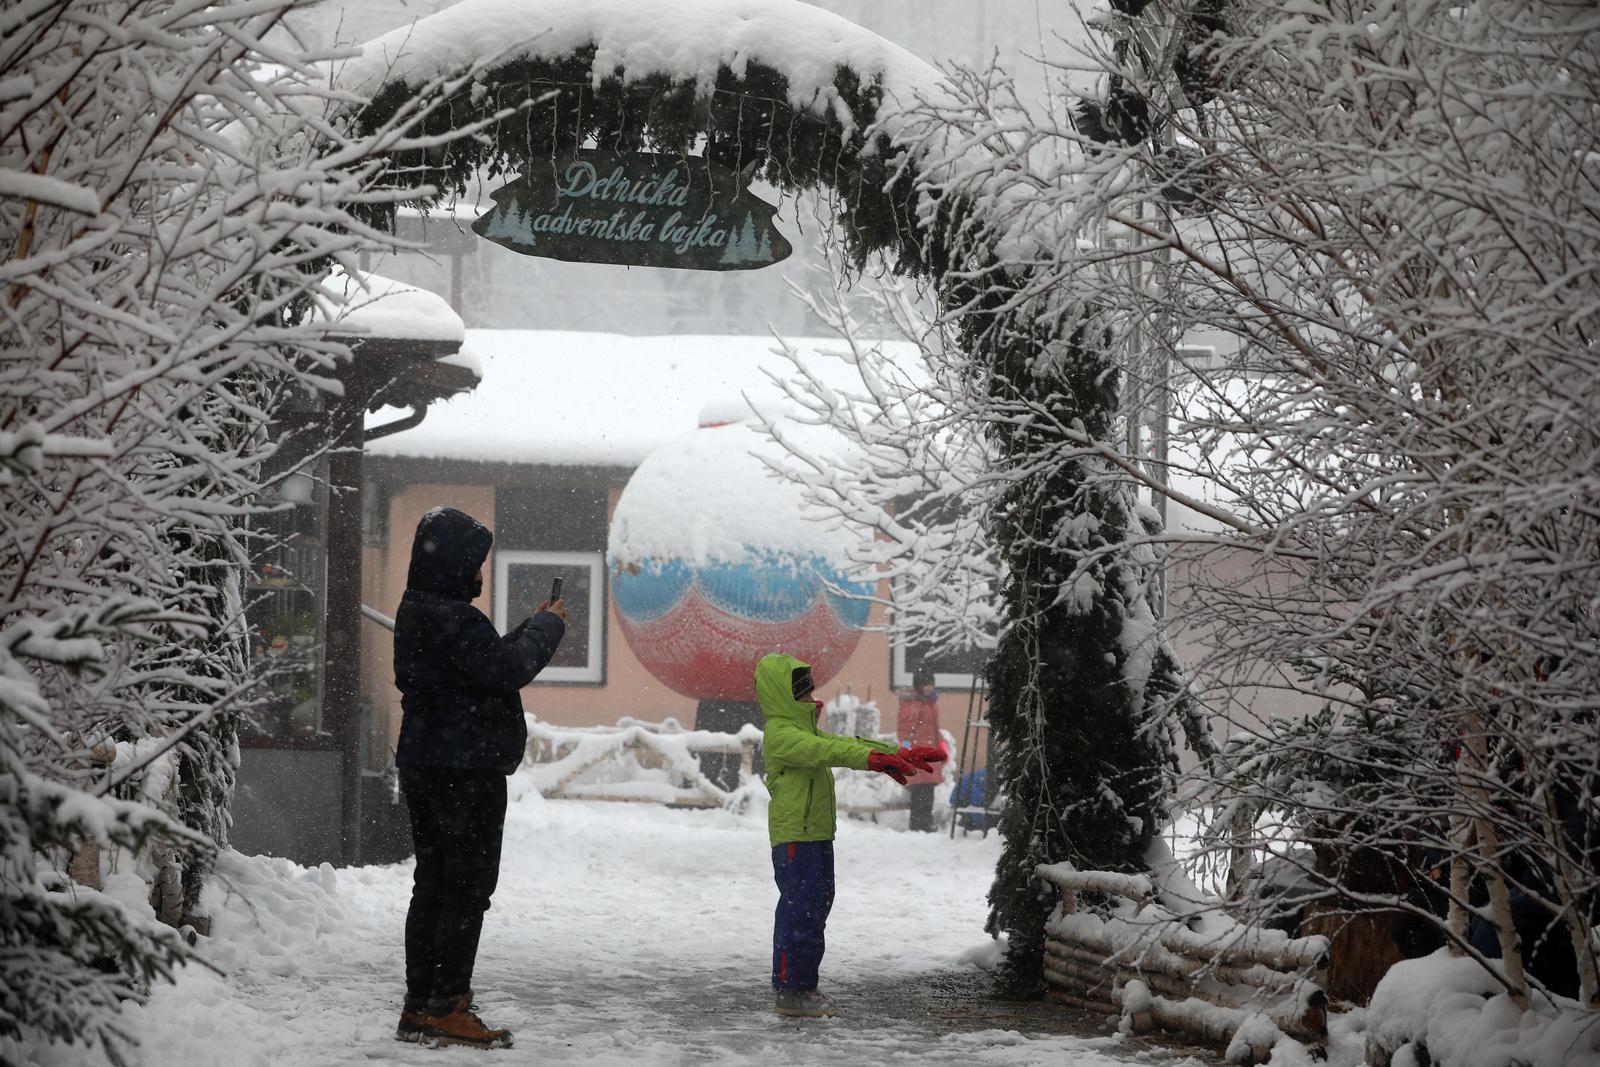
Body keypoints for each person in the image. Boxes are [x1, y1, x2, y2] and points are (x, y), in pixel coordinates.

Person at [391, 507, 567, 1049]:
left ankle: (421, 1003)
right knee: (465, 890)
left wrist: (526, 628)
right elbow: (507, 669)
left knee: (435, 885)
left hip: (429, 764)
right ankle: (448, 1005)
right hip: (464, 772)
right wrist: (548, 626)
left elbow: (483, 662)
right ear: (455, 563)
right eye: (476, 561)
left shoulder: (423, 609)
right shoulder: (451, 617)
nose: (480, 571)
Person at [756, 653, 947, 1018]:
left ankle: (803, 987)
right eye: (802, 694)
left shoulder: (804, 729)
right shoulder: (780, 734)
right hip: (796, 836)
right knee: (801, 910)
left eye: (810, 692)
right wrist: (871, 761)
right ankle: (790, 991)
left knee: (815, 908)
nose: (811, 700)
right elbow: (826, 750)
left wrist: (897, 753)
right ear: (783, 696)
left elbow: (849, 742)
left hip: (816, 834)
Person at [895, 667, 945, 832]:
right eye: (928, 683)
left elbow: (935, 730)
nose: (932, 687)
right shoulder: (913, 705)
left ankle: (925, 823)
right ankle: (918, 825)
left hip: (929, 753)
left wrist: (941, 748)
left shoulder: (929, 703)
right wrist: (906, 751)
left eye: (932, 684)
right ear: (920, 685)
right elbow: (905, 732)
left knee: (928, 790)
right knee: (919, 791)